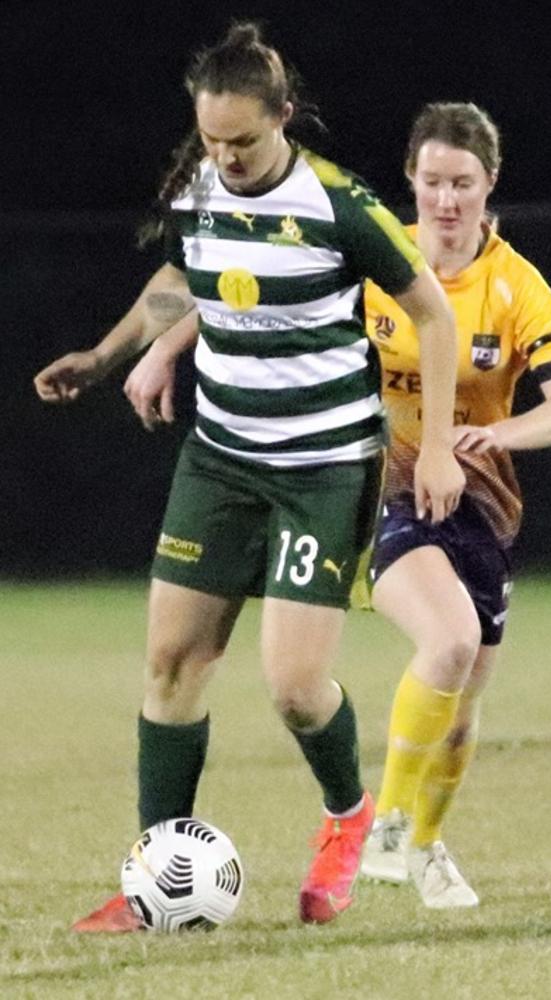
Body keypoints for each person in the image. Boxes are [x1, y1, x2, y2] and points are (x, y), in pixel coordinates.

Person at [34, 24, 465, 930]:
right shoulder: (201, 185)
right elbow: (184, 274)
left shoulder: (340, 207)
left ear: (284, 118)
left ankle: (348, 817)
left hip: (322, 467)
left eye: (243, 141)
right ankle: (157, 881)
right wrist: (110, 355)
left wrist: (427, 449)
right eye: (212, 141)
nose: (224, 159)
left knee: (295, 689)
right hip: (222, 458)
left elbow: (431, 315)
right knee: (171, 663)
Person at [359, 101, 551, 908]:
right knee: (449, 639)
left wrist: (498, 438)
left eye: (462, 183)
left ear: (489, 184)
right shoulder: (374, 260)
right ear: (411, 183)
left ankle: (425, 844)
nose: (446, 201)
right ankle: (383, 824)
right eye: (431, 183)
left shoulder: (515, 284)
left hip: (481, 506)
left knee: (462, 707)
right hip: (385, 489)